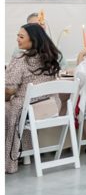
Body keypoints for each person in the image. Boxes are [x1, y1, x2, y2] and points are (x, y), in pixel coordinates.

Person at [5, 23, 62, 174]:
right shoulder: (51, 57)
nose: (17, 39)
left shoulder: (21, 59)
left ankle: (8, 158)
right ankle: (23, 153)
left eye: (21, 36)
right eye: (18, 35)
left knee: (6, 108)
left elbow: (9, 90)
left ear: (33, 40)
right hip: (48, 107)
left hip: (26, 110)